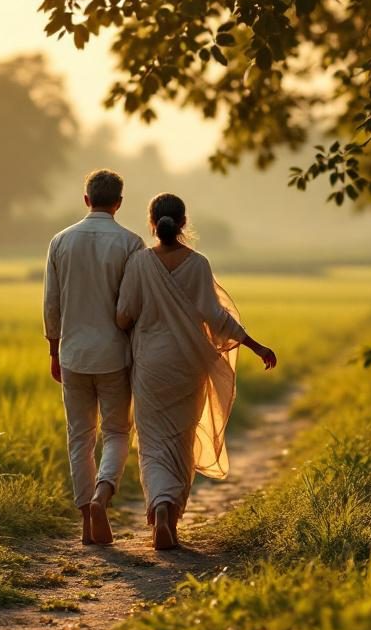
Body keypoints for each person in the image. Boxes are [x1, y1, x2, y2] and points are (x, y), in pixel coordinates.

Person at [116, 193, 277, 550]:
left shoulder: (139, 263)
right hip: (188, 366)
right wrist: (255, 345)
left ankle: (158, 508)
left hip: (150, 366)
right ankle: (171, 516)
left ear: (152, 223)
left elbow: (123, 314)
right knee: (181, 442)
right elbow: (216, 317)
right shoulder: (198, 263)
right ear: (184, 223)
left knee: (154, 444)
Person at [43, 169, 145, 546]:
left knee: (79, 437)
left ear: (86, 199)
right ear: (118, 203)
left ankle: (88, 516)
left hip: (72, 353)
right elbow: (133, 305)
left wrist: (54, 350)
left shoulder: (60, 241)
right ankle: (103, 496)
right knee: (117, 432)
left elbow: (51, 305)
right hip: (116, 354)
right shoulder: (132, 244)